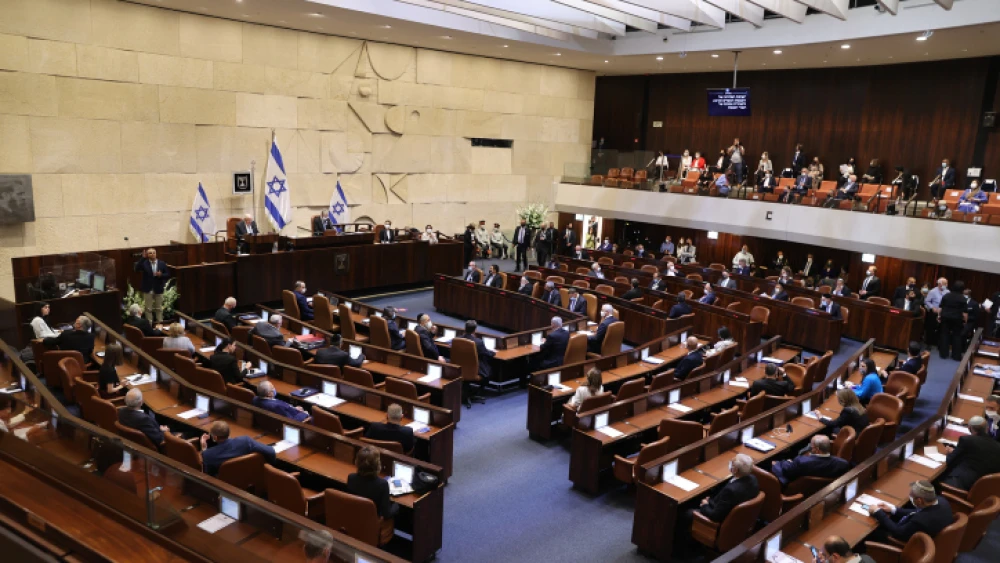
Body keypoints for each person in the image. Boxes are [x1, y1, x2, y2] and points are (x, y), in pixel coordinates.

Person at [685, 454, 758, 534]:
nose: (730, 464)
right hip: (738, 519)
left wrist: (705, 505)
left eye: (732, 463)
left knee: (686, 511)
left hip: (722, 523)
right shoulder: (753, 479)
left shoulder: (730, 491)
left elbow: (715, 516)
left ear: (735, 470)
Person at [869, 480, 953, 544]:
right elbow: (916, 511)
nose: (910, 498)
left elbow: (898, 532)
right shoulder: (942, 501)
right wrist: (893, 509)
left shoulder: (921, 520)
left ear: (919, 500)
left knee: (873, 533)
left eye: (912, 496)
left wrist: (878, 512)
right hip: (929, 535)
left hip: (903, 543)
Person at [940, 416, 1000, 490]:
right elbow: (978, 455)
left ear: (969, 428)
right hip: (984, 489)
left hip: (961, 484)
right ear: (987, 429)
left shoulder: (966, 440)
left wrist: (951, 453)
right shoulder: (998, 446)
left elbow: (950, 461)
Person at [201, 421, 276, 476]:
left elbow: (207, 476)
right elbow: (271, 452)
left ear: (215, 437)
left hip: (227, 486)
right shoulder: (245, 441)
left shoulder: (208, 455)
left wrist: (204, 448)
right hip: (250, 479)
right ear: (228, 432)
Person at [771, 435, 850, 486]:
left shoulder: (801, 461)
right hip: (819, 489)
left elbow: (787, 471)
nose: (810, 448)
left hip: (796, 487)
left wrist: (784, 462)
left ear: (817, 450)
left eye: (811, 446)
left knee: (773, 464)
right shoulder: (842, 463)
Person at [347, 447, 397, 520]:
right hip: (372, 523)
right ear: (377, 465)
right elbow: (386, 514)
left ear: (357, 462)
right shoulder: (382, 484)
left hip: (354, 518)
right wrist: (396, 506)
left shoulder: (351, 478)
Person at [134, 249, 170, 323]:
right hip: (148, 288)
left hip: (158, 288)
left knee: (159, 308)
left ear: (156, 254)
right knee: (148, 309)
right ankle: (149, 325)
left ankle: (160, 324)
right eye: (150, 253)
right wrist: (143, 258)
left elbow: (167, 274)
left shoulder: (161, 263)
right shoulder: (144, 263)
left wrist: (161, 275)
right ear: (147, 255)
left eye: (154, 253)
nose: (152, 254)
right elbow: (136, 269)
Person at [461, 320, 494, 399]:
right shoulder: (478, 342)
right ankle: (479, 391)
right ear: (475, 330)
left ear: (465, 329)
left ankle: (466, 387)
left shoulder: (458, 339)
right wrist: (493, 353)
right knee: (489, 369)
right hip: (474, 370)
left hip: (461, 368)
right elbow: (487, 353)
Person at [938, 281, 968, 360]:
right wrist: (965, 321)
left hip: (945, 317)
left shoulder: (946, 296)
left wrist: (938, 316)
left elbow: (941, 307)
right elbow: (965, 313)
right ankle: (956, 355)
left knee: (944, 335)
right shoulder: (963, 298)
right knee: (957, 336)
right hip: (957, 319)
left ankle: (943, 354)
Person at [924, 277, 949, 346]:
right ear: (939, 284)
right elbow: (927, 301)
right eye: (945, 283)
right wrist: (932, 307)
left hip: (943, 313)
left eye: (946, 283)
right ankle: (928, 343)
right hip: (934, 312)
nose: (946, 285)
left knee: (941, 329)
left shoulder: (947, 292)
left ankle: (937, 343)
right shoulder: (932, 291)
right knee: (931, 328)